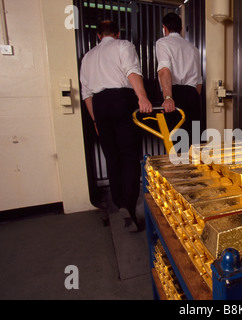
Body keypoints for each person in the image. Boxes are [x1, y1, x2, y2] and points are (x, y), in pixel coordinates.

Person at [80, 20, 152, 232]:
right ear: (117, 33)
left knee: (112, 157)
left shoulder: (88, 57)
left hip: (99, 104)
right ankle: (128, 206)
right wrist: (143, 98)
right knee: (129, 156)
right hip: (122, 100)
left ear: (98, 36)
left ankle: (119, 201)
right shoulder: (124, 46)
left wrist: (95, 120)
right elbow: (131, 71)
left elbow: (86, 93)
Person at [156, 12, 203, 149]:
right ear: (181, 28)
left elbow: (164, 70)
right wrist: (193, 98)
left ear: (164, 28)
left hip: (174, 94)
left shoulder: (163, 43)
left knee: (174, 144)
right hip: (193, 95)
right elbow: (199, 81)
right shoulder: (193, 48)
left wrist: (168, 97)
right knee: (193, 144)